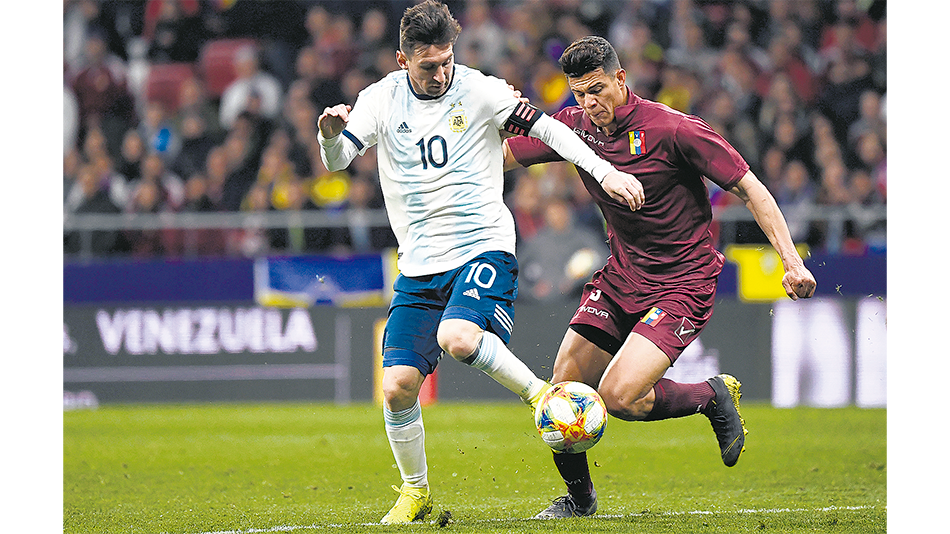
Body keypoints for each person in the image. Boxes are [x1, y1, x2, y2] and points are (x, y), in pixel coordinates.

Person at [317, 2, 643, 525]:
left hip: (482, 246)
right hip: (419, 264)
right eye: (428, 66)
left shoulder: (481, 90)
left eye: (447, 60)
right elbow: (336, 161)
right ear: (403, 60)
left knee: (459, 337)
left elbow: (550, 130)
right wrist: (330, 133)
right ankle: (416, 491)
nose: (441, 73)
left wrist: (605, 172)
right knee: (397, 386)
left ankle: (544, 398)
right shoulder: (380, 100)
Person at [503, 36, 817, 519]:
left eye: (597, 90)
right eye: (579, 94)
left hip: (683, 281)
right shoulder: (572, 128)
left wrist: (791, 261)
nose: (589, 103)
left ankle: (710, 396)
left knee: (619, 398)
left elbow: (750, 188)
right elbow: (500, 156)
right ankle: (580, 501)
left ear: (621, 78)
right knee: (561, 389)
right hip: (622, 275)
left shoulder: (673, 128)